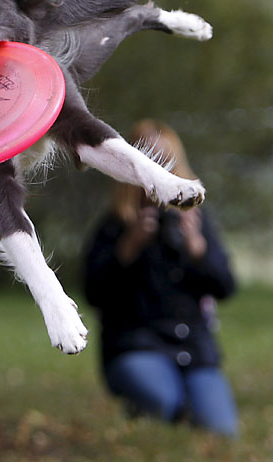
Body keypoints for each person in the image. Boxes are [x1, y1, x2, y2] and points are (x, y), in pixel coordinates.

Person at [82, 120, 238, 437]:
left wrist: (198, 250)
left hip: (192, 349)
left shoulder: (194, 221)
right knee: (167, 404)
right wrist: (127, 248)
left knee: (222, 431)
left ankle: (184, 406)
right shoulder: (116, 224)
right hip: (136, 345)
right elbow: (92, 292)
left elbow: (226, 286)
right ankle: (151, 404)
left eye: (167, 163)